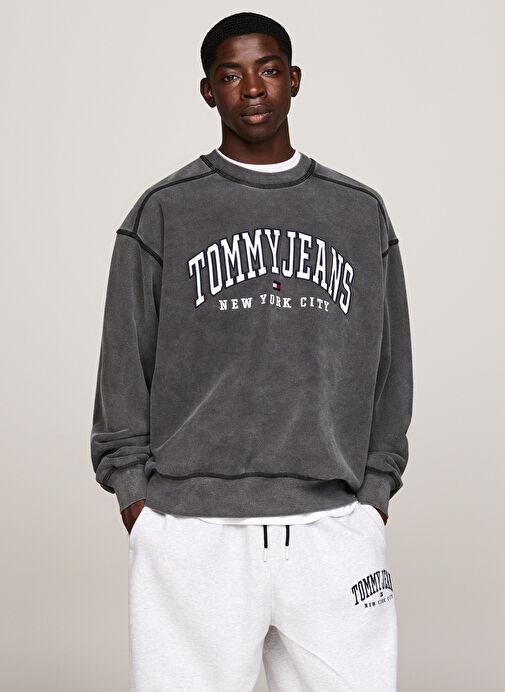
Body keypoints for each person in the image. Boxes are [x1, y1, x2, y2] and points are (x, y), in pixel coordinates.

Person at [90, 11, 414, 692]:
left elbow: (392, 365)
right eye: (231, 75)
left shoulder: (357, 212)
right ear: (207, 91)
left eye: (267, 70)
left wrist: (374, 497)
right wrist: (137, 503)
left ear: (293, 79)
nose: (253, 88)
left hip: (331, 527)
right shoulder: (164, 211)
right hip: (191, 532)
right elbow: (122, 364)